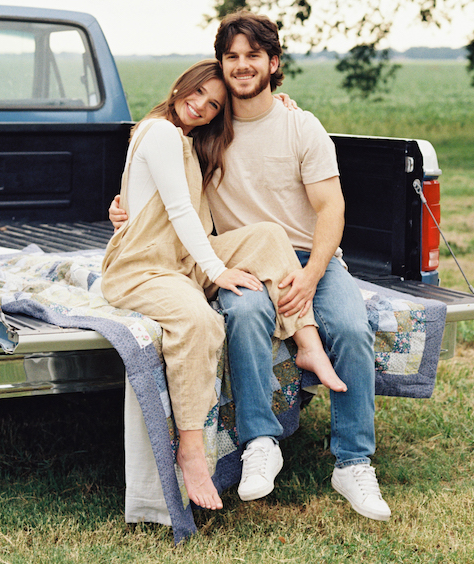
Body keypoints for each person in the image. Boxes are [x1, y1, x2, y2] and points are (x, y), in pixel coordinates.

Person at [101, 59, 345, 512]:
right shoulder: (157, 132)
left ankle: (307, 340)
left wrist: (283, 106)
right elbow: (177, 209)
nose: (200, 106)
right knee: (200, 321)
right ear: (179, 87)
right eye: (196, 94)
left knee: (269, 235)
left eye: (213, 104)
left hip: (181, 260)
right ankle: (191, 451)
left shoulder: (187, 140)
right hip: (143, 268)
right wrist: (217, 271)